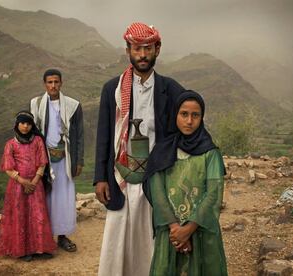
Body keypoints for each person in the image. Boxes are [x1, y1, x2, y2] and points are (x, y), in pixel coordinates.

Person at [94, 22, 184, 276]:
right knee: (118, 238)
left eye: (148, 48)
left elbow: (186, 128)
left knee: (150, 241)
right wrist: (100, 177)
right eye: (137, 49)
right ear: (128, 50)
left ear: (158, 49)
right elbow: (104, 136)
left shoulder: (171, 89)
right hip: (121, 175)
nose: (142, 55)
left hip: (155, 179)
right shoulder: (112, 89)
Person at [143, 91, 228, 275]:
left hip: (201, 232)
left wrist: (188, 229)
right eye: (184, 114)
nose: (189, 121)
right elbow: (157, 192)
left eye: (195, 115)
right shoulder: (162, 151)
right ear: (175, 115)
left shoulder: (211, 153)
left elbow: (214, 193)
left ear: (201, 117)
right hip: (170, 233)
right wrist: (176, 229)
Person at [30, 69, 84, 252]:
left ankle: (62, 236)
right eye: (49, 82)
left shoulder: (73, 105)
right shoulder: (36, 104)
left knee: (63, 198)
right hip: (44, 161)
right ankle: (44, 237)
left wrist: (79, 161)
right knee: (44, 197)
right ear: (44, 84)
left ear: (61, 83)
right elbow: (32, 134)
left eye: (56, 82)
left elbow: (79, 136)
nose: (53, 86)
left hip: (65, 159)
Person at [0, 111, 57, 262]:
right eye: (22, 123)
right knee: (20, 217)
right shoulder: (10, 144)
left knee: (38, 215)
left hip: (35, 185)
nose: (25, 126)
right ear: (17, 124)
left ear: (32, 125)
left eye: (29, 123)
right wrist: (23, 181)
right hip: (17, 187)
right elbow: (8, 168)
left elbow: (42, 163)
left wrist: (34, 181)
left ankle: (40, 248)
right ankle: (22, 250)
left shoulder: (37, 141)